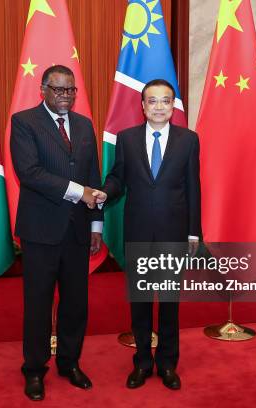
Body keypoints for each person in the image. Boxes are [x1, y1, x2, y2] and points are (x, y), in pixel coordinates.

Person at [10, 65, 106, 401]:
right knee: (38, 304)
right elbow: (30, 173)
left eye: (71, 90)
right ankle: (34, 370)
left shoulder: (84, 125)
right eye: (58, 90)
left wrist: (96, 223)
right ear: (43, 90)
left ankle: (69, 362)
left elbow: (94, 174)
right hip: (40, 230)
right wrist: (80, 193)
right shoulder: (24, 122)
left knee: (75, 304)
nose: (65, 96)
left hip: (78, 230)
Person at [100, 79, 201, 390]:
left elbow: (194, 188)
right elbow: (118, 178)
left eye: (165, 101)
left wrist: (194, 233)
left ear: (174, 106)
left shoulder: (188, 140)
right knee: (141, 302)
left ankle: (168, 364)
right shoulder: (127, 139)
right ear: (142, 106)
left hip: (173, 234)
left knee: (169, 303)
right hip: (139, 232)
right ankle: (143, 362)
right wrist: (105, 193)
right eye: (153, 101)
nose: (159, 106)